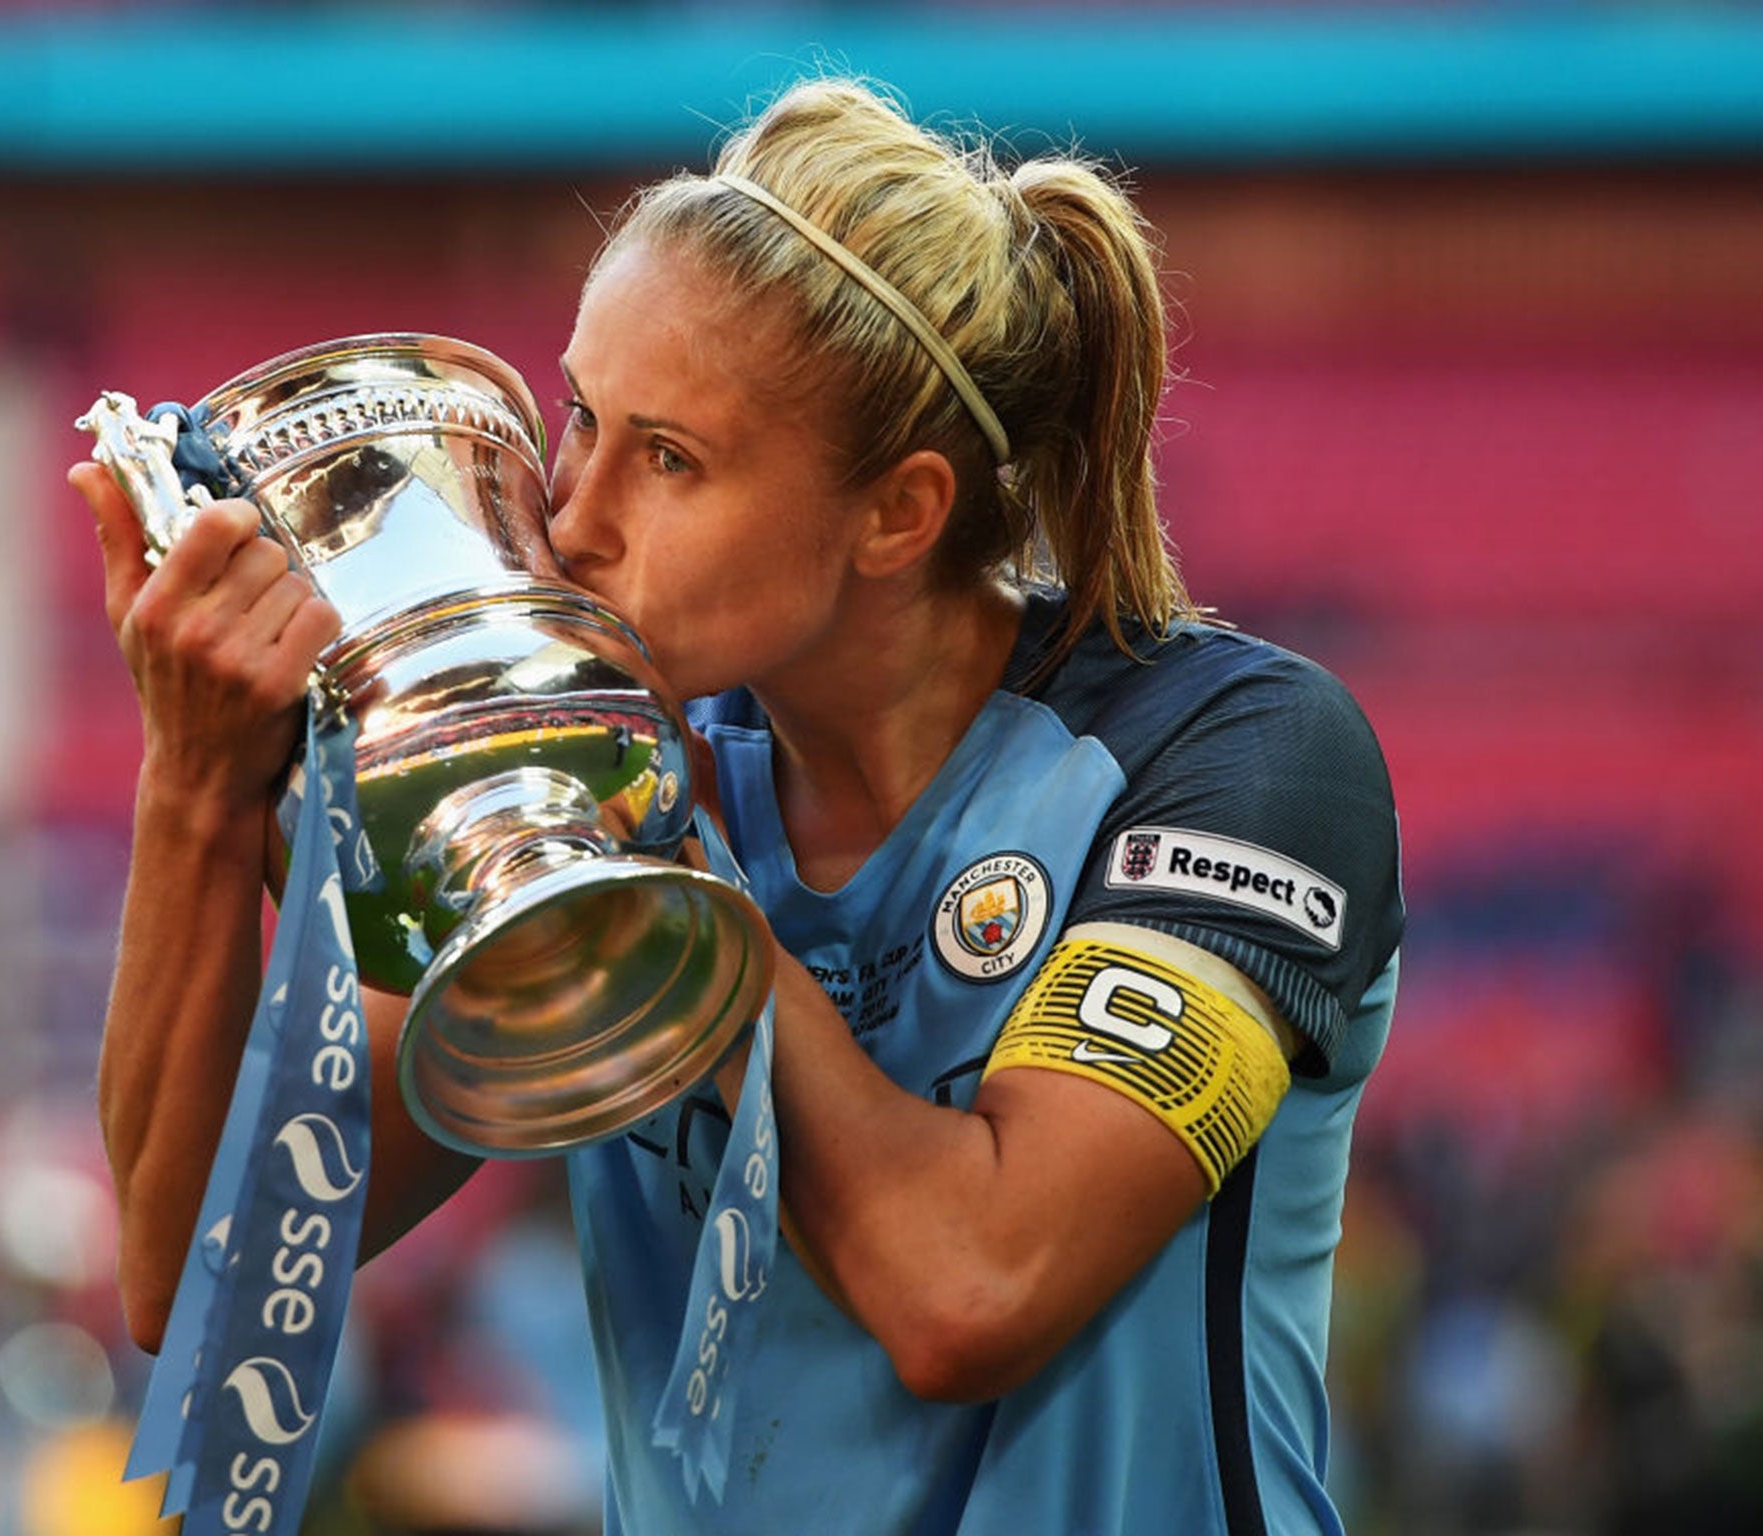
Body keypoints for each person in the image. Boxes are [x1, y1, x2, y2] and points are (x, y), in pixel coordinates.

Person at [76, 76, 1404, 1536]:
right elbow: (205, 1276)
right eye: (583, 417)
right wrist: (201, 789)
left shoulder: (1232, 758)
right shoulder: (616, 758)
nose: (573, 519)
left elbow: (970, 1291)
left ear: (897, 514)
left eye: (671, 460)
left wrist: (662, 893)